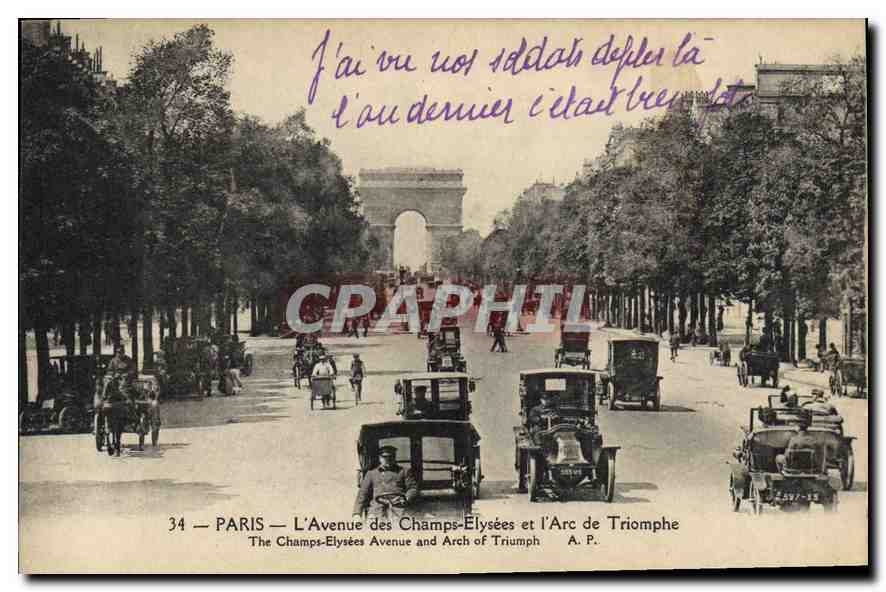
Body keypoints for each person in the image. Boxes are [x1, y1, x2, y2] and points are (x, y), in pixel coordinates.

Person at [352, 445, 419, 520]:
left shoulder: (404, 471)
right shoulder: (371, 474)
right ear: (380, 458)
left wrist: (405, 498)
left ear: (394, 457)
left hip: (399, 508)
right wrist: (357, 514)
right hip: (377, 510)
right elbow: (362, 494)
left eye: (391, 457)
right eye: (385, 457)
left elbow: (413, 488)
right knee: (371, 525)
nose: (388, 459)